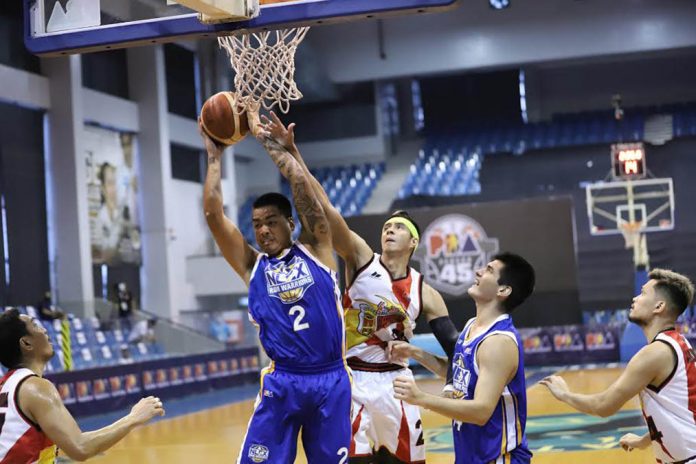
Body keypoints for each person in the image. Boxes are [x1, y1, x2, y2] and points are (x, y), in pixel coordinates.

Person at [258, 112, 459, 463]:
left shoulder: (427, 292)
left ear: (413, 242)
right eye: (386, 226)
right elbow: (326, 211)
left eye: (397, 228)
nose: (389, 231)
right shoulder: (364, 259)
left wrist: (417, 355)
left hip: (398, 383)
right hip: (354, 383)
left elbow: (457, 356)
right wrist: (295, 156)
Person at [200, 110, 351, 463]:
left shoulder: (318, 249)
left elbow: (306, 194)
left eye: (271, 222)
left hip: (330, 379)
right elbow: (212, 215)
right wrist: (213, 156)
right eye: (257, 224)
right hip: (283, 382)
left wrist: (276, 147)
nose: (264, 230)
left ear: (290, 223)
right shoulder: (252, 266)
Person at [391, 253, 536, 464]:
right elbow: (460, 374)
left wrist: (421, 398)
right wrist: (415, 353)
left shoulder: (498, 342)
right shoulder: (471, 325)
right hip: (473, 455)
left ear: (503, 290)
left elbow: (481, 411)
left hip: (500, 458)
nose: (479, 272)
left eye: (489, 270)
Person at [541, 269, 696, 463]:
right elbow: (681, 412)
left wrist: (564, 394)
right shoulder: (681, 343)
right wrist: (645, 440)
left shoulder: (654, 353)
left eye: (643, 293)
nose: (635, 298)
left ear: (659, 306)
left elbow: (603, 406)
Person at [0, 308, 164, 463]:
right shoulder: (35, 387)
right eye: (35, 325)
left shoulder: (5, 385)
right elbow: (80, 447)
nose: (44, 330)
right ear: (26, 343)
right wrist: (133, 418)